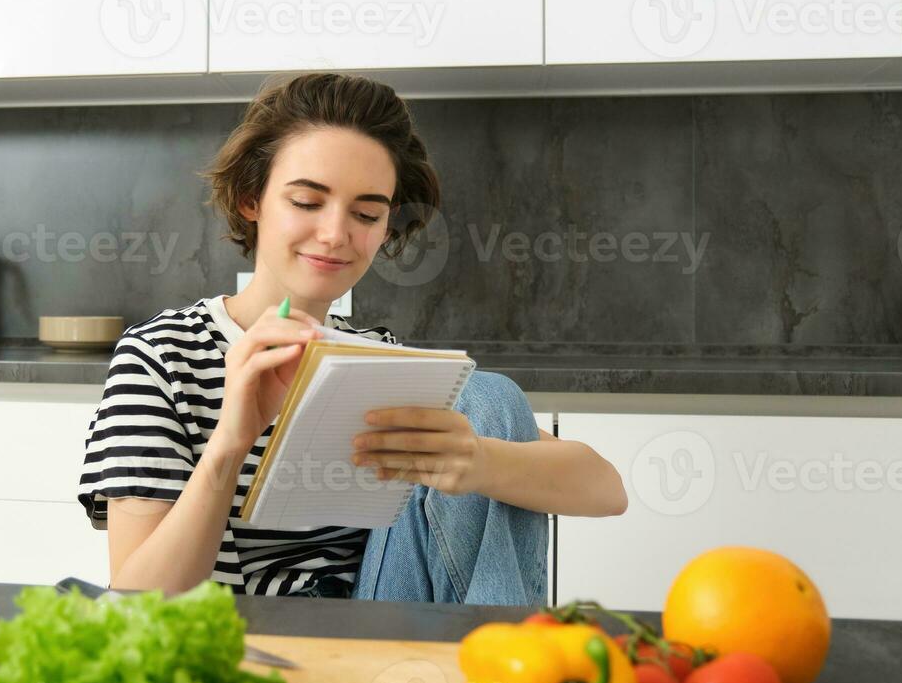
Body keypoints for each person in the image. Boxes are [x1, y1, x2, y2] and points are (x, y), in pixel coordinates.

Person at [77, 72, 626, 602]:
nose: (336, 234)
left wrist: (478, 463)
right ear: (252, 199)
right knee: (484, 397)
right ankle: (503, 679)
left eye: (366, 213)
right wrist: (230, 442)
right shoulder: (163, 356)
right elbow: (135, 601)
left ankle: (494, 675)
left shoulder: (376, 360)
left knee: (488, 397)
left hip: (377, 631)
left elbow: (607, 491)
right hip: (245, 637)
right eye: (307, 202)